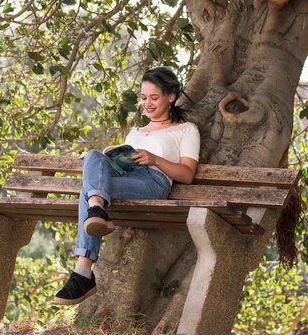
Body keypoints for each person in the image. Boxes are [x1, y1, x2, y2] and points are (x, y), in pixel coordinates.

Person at [53, 67, 201, 306]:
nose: (148, 104)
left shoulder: (186, 130)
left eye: (154, 97)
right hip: (126, 176)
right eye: (144, 98)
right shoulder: (135, 132)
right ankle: (96, 212)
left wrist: (155, 159)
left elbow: (187, 174)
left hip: (153, 182)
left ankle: (83, 271)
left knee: (89, 192)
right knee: (93, 156)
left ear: (170, 96)